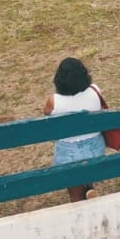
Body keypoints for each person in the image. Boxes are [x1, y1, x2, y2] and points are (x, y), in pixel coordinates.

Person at [43, 57, 105, 202]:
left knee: (75, 196)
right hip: (95, 150)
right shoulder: (95, 90)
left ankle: (80, 198)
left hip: (68, 154)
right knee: (87, 166)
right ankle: (89, 186)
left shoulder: (54, 101)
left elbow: (46, 115)